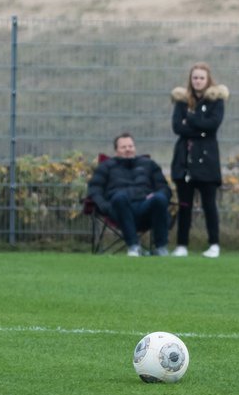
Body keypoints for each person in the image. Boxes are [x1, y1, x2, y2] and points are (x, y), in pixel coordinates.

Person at [170, 62, 228, 258]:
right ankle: (181, 245)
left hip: (207, 160)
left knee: (208, 204)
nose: (198, 81)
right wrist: (198, 126)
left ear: (208, 79)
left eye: (201, 78)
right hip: (184, 159)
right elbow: (177, 127)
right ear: (190, 79)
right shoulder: (181, 100)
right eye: (195, 77)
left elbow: (212, 125)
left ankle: (214, 244)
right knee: (184, 205)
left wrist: (191, 119)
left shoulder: (216, 101)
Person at [87, 133, 172, 257]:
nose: (128, 149)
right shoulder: (106, 166)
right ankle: (133, 246)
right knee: (119, 197)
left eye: (130, 146)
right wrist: (105, 206)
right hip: (118, 209)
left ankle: (160, 248)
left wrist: (156, 194)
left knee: (159, 198)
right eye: (123, 147)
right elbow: (95, 189)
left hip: (145, 207)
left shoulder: (149, 164)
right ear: (116, 151)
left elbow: (164, 188)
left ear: (135, 148)